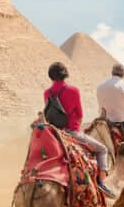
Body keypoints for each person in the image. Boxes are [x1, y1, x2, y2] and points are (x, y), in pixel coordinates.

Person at [45, 62, 116, 198]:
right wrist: (76, 127)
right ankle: (101, 183)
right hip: (71, 133)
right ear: (65, 74)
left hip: (54, 134)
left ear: (51, 76)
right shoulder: (73, 91)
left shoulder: (47, 93)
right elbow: (79, 114)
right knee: (102, 149)